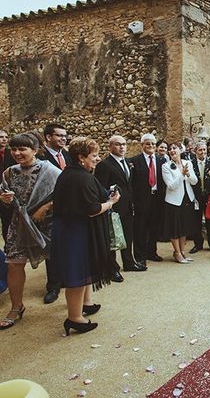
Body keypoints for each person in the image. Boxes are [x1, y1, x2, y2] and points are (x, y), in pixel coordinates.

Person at [50, 137, 120, 336]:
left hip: (71, 229)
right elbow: (92, 209)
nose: (98, 159)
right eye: (94, 155)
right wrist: (111, 202)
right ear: (81, 157)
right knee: (77, 274)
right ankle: (75, 318)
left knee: (83, 268)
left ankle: (86, 303)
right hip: (74, 232)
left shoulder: (72, 174)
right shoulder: (81, 178)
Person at [0, 133, 60, 330]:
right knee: (14, 265)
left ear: (35, 150)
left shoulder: (50, 170)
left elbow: (64, 193)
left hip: (46, 225)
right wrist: (6, 200)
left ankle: (76, 303)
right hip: (19, 225)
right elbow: (6, 196)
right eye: (14, 149)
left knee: (60, 260)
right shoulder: (9, 172)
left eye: (22, 149)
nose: (17, 153)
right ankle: (17, 307)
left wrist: (46, 207)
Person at [94, 135, 146, 279]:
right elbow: (101, 188)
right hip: (113, 208)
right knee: (112, 238)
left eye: (123, 144)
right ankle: (112, 269)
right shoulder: (104, 165)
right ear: (110, 146)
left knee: (128, 236)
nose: (122, 147)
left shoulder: (128, 162)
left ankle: (129, 262)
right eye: (118, 144)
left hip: (128, 207)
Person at [41, 123, 71, 304]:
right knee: (51, 249)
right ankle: (53, 286)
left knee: (68, 245)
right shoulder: (40, 157)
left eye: (64, 135)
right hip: (49, 210)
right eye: (59, 135)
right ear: (48, 137)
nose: (63, 138)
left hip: (70, 209)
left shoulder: (67, 155)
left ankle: (67, 278)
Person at [130, 134, 166, 265]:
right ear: (142, 145)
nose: (151, 146)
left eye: (153, 144)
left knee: (154, 227)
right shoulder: (134, 161)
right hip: (141, 199)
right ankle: (140, 255)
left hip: (157, 198)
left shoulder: (161, 161)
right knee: (140, 228)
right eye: (148, 144)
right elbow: (132, 183)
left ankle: (152, 252)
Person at [162, 143, 198, 264]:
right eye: (170, 149)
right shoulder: (166, 166)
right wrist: (181, 174)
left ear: (180, 150)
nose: (172, 151)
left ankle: (182, 252)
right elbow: (171, 186)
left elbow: (194, 181)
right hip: (173, 201)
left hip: (188, 199)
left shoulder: (188, 163)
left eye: (174, 148)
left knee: (184, 227)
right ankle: (177, 252)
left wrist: (187, 173)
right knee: (175, 228)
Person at [188, 142, 208, 254]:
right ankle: (198, 244)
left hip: (208, 196)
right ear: (196, 151)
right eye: (200, 150)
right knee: (196, 220)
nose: (203, 152)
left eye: (204, 150)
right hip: (196, 196)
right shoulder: (191, 163)